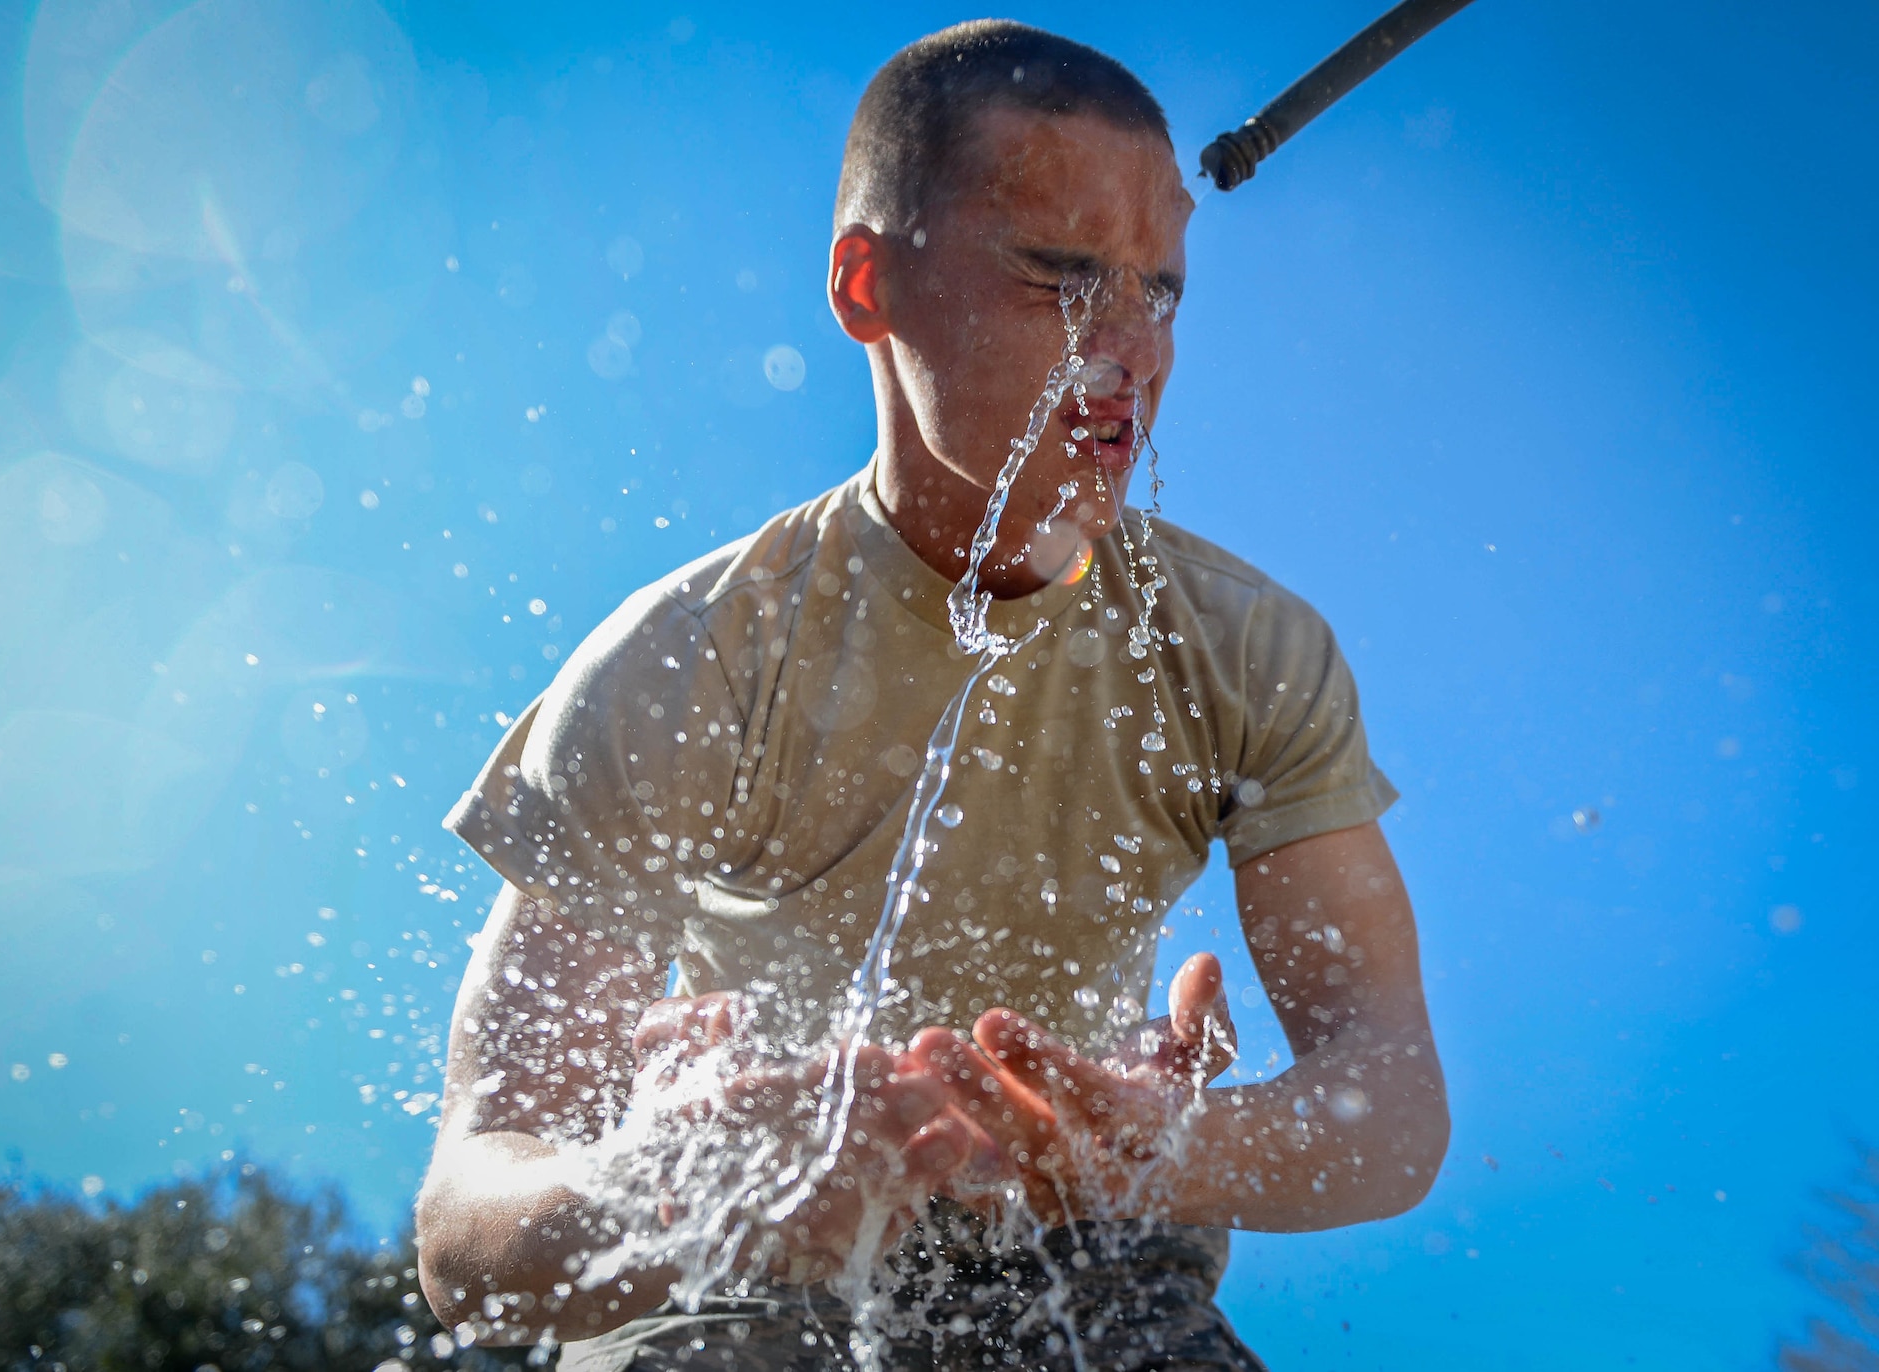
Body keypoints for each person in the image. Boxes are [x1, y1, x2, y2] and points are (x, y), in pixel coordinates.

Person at [417, 20, 1449, 1371]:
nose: (1131, 346)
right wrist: (677, 1190)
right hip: (743, 1267)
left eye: (1163, 288)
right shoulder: (691, 661)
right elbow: (465, 1226)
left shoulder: (1243, 648)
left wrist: (1171, 1146)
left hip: (1089, 1256)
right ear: (866, 284)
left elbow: (1390, 1108)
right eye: (1061, 274)